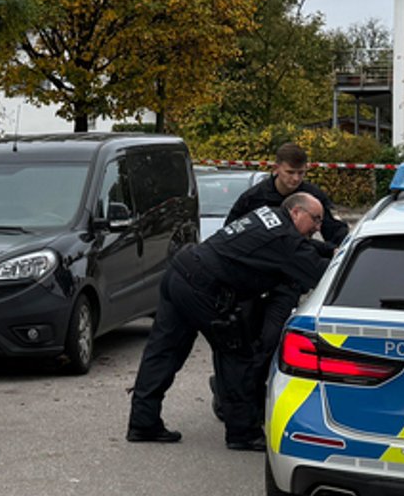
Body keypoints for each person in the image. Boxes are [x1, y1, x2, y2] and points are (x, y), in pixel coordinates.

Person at [125, 192, 332, 448]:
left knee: (164, 350)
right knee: (236, 355)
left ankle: (143, 422)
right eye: (316, 219)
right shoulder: (285, 239)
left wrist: (331, 249)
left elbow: (302, 249)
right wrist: (344, 259)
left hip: (180, 273)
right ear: (296, 212)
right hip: (203, 288)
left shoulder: (269, 216)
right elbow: (318, 272)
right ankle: (243, 433)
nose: (318, 227)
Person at [213, 142, 352, 433]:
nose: (295, 179)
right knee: (242, 339)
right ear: (275, 168)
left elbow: (336, 234)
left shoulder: (312, 198)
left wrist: (335, 251)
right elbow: (231, 234)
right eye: (290, 172)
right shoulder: (254, 198)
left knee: (269, 340)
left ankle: (250, 399)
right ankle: (229, 393)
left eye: (301, 173)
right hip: (252, 282)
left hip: (287, 280)